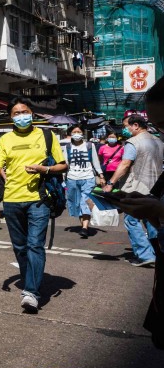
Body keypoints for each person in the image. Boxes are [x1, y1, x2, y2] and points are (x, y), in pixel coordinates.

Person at [0, 97, 66, 314]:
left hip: (39, 199)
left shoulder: (46, 135)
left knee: (35, 245)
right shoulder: (5, 140)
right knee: (20, 247)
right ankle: (29, 277)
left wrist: (44, 170)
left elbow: (62, 165)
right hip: (12, 200)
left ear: (32, 113)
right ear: (11, 117)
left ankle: (31, 292)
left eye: (25, 111)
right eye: (16, 113)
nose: (22, 116)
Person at [103, 113, 162, 266]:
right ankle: (157, 250)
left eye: (126, 126)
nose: (125, 130)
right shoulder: (159, 140)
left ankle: (145, 254)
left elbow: (125, 164)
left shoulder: (133, 142)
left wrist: (110, 183)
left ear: (135, 126)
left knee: (131, 219)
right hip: (156, 188)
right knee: (152, 220)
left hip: (136, 187)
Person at [64, 125, 105, 239]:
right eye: (74, 131)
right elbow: (65, 164)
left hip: (88, 177)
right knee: (76, 203)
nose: (77, 133)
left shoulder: (89, 145)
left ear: (83, 133)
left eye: (79, 131)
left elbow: (96, 162)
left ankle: (85, 228)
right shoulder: (67, 147)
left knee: (85, 201)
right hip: (72, 178)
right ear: (70, 134)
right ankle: (83, 226)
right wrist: (63, 178)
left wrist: (101, 175)